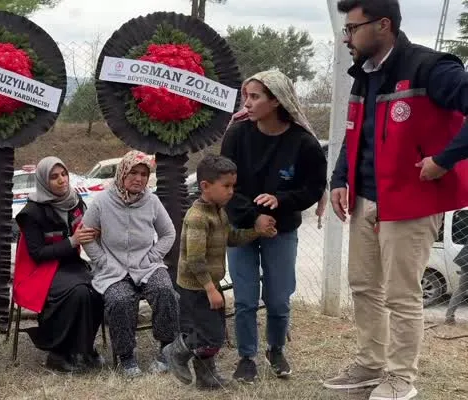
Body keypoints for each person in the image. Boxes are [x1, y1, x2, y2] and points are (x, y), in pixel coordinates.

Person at [324, 1, 468, 399]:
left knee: (402, 294)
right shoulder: (364, 75)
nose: (346, 37)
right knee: (363, 286)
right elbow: (355, 133)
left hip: (411, 202)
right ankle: (370, 364)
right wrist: (339, 178)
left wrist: (444, 160)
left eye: (353, 28)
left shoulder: (431, 68)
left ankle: (401, 377)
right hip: (365, 199)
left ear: (383, 24)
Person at [221, 70, 327, 383]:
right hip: (241, 228)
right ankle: (246, 357)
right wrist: (252, 217)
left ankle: (276, 349)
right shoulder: (237, 136)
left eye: (255, 97)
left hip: (281, 230)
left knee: (279, 298)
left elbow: (312, 188)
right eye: (246, 96)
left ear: (276, 101)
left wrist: (280, 201)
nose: (247, 103)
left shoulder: (303, 143)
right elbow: (224, 185)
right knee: (244, 299)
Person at [164, 154, 276, 390]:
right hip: (196, 288)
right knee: (210, 335)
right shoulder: (198, 217)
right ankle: (176, 350)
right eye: (226, 186)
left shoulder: (219, 212)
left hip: (209, 285)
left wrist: (257, 232)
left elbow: (231, 238)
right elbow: (195, 260)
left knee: (212, 332)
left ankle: (206, 377)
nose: (231, 191)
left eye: (233, 186)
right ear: (205, 186)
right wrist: (210, 289)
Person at [81, 150, 179, 378]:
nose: (139, 178)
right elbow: (85, 236)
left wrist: (153, 257)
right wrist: (102, 261)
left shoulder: (152, 201)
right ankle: (126, 357)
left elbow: (168, 233)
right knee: (120, 299)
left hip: (147, 266)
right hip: (113, 269)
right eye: (133, 172)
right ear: (122, 173)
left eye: (144, 174)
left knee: (165, 291)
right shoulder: (102, 202)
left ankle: (168, 349)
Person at [13, 156, 104, 373]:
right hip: (40, 270)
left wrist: (95, 232)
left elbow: (86, 229)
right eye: (54, 177)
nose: (62, 180)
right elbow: (37, 254)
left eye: (64, 174)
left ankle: (83, 349)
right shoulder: (31, 212)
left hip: (71, 264)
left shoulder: (75, 201)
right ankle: (59, 353)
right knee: (79, 292)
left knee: (98, 289)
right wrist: (72, 241)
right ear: (44, 181)